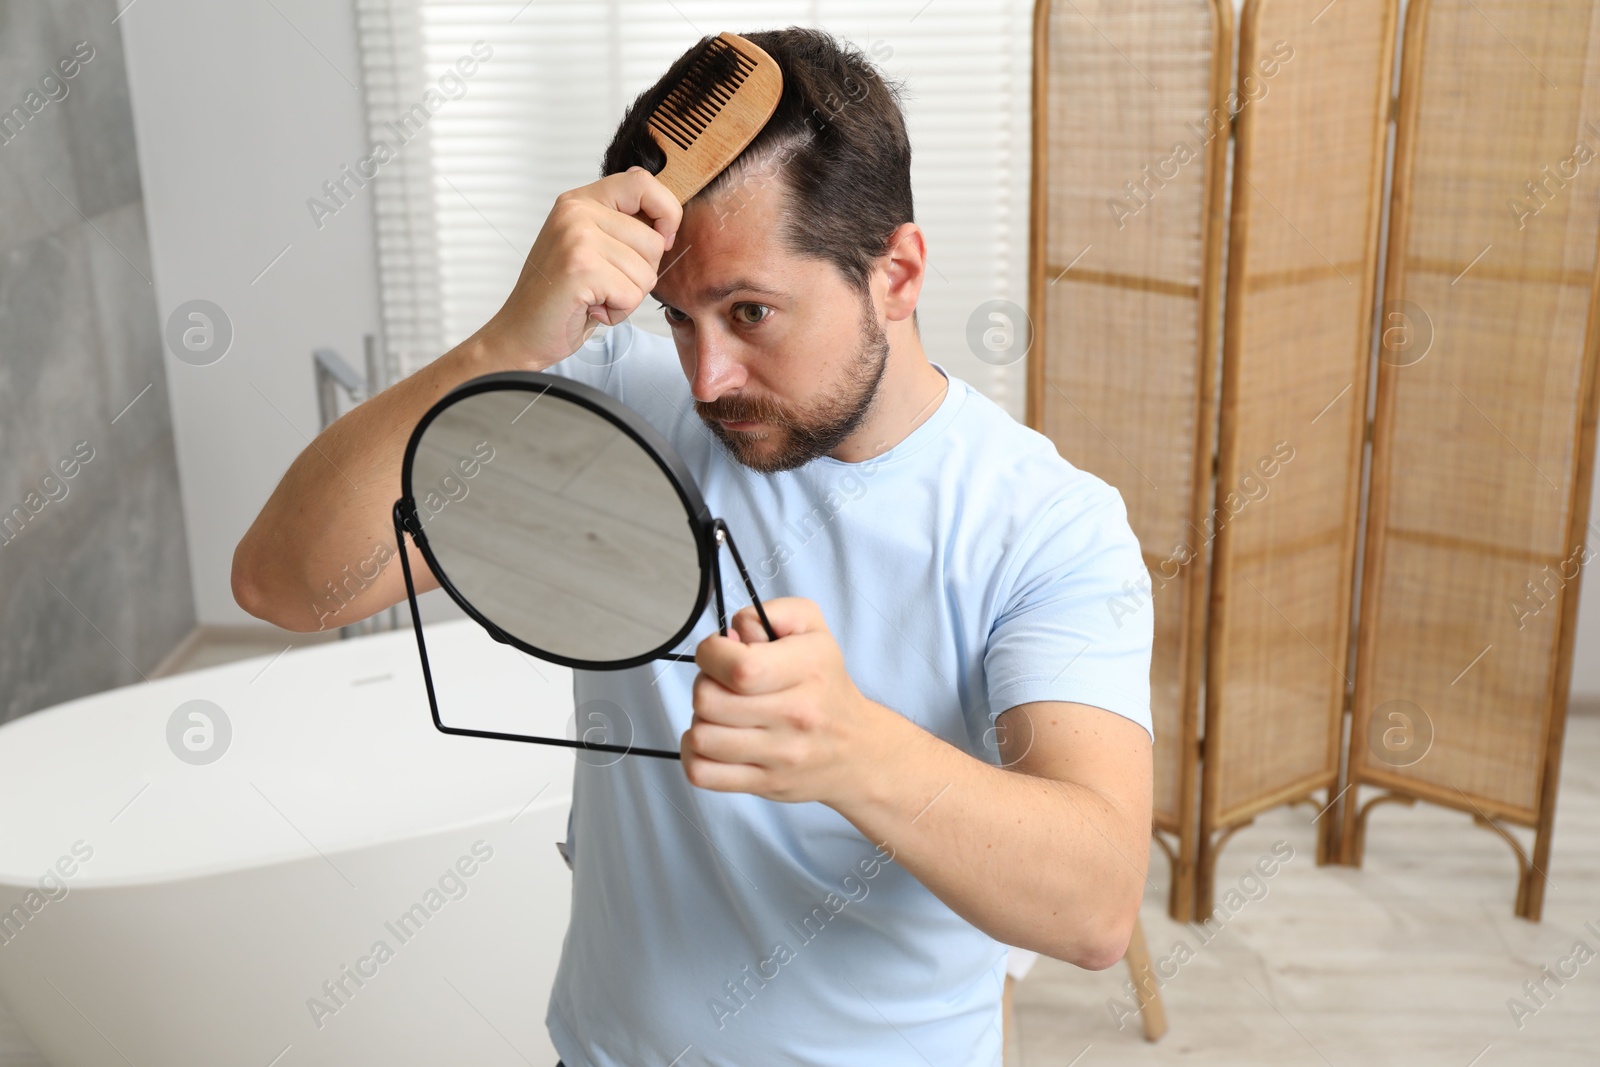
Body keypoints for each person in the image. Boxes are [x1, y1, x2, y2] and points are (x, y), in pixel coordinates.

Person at [232, 26, 1154, 1067]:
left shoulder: (1045, 524)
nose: (707, 376)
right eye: (677, 317)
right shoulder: (621, 404)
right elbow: (286, 581)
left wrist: (853, 749)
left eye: (749, 311)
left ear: (896, 273)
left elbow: (1095, 905)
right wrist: (505, 343)